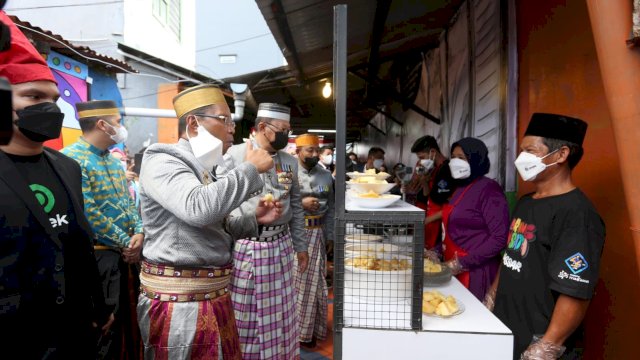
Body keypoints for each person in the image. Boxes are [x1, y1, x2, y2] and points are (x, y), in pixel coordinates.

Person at [0, 11, 112, 358]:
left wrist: (99, 305)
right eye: (34, 97)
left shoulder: (67, 167)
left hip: (73, 336)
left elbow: (79, 241)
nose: (49, 108)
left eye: (53, 98)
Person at [136, 84, 277, 359]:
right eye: (224, 120)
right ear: (193, 123)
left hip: (214, 294)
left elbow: (216, 227)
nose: (231, 128)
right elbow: (197, 209)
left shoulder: (210, 168)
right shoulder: (163, 158)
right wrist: (249, 169)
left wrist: (253, 219)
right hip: (180, 303)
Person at [487, 113, 605, 360]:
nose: (521, 158)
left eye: (530, 150)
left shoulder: (577, 214)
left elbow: (574, 290)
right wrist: (490, 300)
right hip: (505, 332)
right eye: (521, 150)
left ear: (561, 155)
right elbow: (511, 258)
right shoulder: (525, 203)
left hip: (536, 342)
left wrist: (545, 348)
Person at [225, 103, 308, 359]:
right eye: (281, 129)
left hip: (281, 247)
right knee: (247, 313)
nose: (286, 134)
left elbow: (296, 206)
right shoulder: (236, 155)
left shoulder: (290, 162)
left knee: (282, 310)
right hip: (248, 248)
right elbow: (223, 205)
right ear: (262, 127)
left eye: (288, 129)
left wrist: (301, 246)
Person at [61, 100, 144, 358]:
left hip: (124, 257)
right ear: (102, 124)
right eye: (118, 122)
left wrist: (138, 233)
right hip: (98, 260)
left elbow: (129, 202)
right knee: (103, 333)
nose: (120, 127)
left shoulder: (113, 162)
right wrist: (125, 242)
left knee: (128, 330)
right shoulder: (71, 159)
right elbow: (88, 212)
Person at [441, 137, 509, 301]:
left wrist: (462, 263)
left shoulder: (489, 189)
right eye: (453, 157)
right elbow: (453, 228)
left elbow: (500, 238)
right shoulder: (461, 187)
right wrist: (436, 251)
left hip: (476, 272)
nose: (455, 162)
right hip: (452, 267)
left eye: (461, 158)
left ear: (475, 159)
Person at [293, 134, 334, 348]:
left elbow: (333, 208)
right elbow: (276, 204)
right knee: (298, 286)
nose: (314, 155)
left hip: (318, 233)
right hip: (295, 235)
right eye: (309, 150)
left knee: (317, 284)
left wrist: (331, 236)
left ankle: (312, 331)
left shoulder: (327, 176)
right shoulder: (287, 174)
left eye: (316, 150)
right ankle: (297, 332)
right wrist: (301, 203)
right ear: (298, 151)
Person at [406, 135, 455, 249]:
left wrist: (427, 219)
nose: (421, 162)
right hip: (430, 220)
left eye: (422, 157)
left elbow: (450, 204)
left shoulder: (446, 170)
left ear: (433, 152)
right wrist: (423, 180)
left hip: (441, 224)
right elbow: (428, 195)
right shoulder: (434, 169)